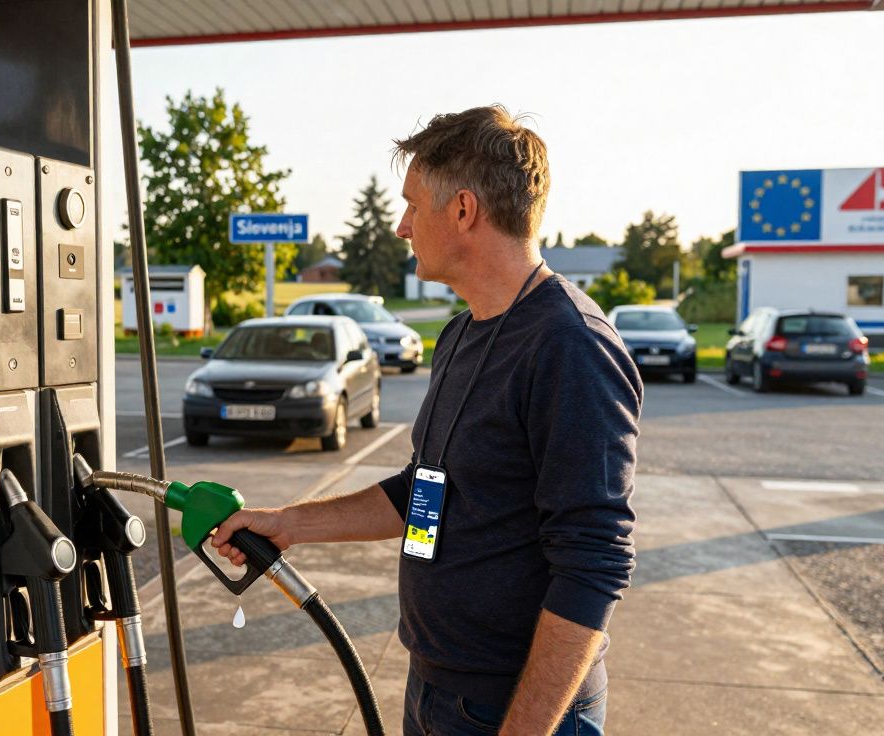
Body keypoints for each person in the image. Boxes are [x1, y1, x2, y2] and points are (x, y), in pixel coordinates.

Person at [212, 106, 641, 736]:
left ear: (464, 210)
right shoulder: (463, 334)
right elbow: (427, 493)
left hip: (515, 710)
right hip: (438, 687)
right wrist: (287, 525)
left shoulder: (570, 346)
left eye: (414, 204)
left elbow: (594, 561)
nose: (401, 225)